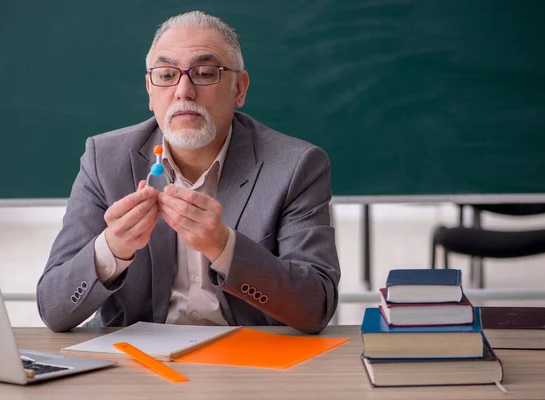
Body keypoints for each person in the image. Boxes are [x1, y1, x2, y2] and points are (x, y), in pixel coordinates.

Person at [36, 11, 340, 334]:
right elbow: (53, 309)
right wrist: (112, 248)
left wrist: (224, 247)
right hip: (138, 371)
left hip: (250, 368)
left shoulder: (295, 165)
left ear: (240, 88)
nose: (183, 91)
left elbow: (315, 307)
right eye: (166, 75)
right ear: (150, 92)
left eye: (205, 72)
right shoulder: (104, 160)